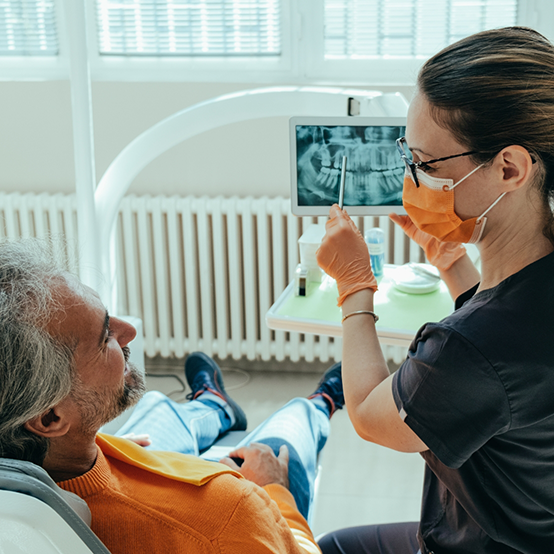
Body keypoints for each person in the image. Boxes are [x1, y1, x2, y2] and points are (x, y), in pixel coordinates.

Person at [315, 26, 554, 554]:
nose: (412, 178)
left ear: (509, 168)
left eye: (424, 163)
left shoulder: (469, 350)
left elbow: (372, 418)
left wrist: (354, 287)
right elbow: (506, 338)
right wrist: (451, 261)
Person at [0, 238, 345, 554]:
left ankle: (213, 403)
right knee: (287, 430)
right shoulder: (227, 516)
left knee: (156, 406)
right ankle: (320, 404)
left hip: (108, 467)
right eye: (105, 336)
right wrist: (274, 491)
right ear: (50, 418)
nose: (129, 331)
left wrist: (98, 446)